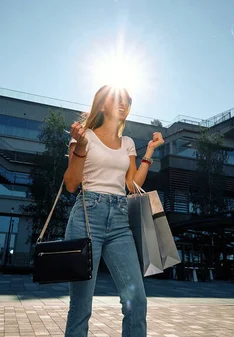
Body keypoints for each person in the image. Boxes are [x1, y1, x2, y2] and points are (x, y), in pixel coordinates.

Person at [63, 85, 164, 337]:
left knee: (137, 301)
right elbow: (71, 184)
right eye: (118, 99)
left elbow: (131, 185)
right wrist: (81, 147)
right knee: (81, 306)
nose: (124, 104)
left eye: (127, 101)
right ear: (103, 104)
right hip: (87, 216)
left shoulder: (127, 142)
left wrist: (149, 152)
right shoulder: (83, 136)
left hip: (120, 220)